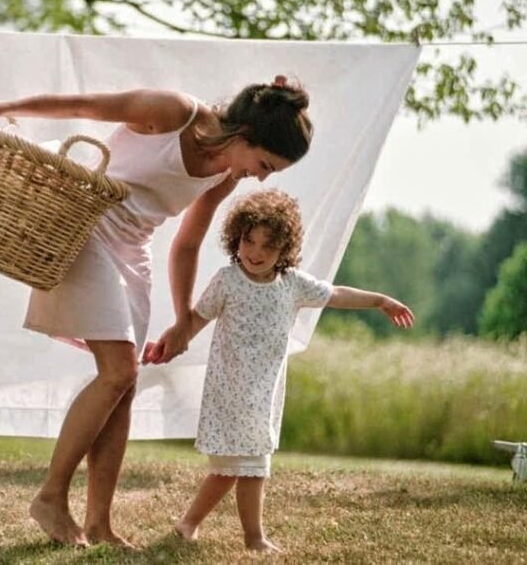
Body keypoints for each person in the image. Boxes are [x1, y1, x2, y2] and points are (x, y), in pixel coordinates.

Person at [0, 75, 313, 547]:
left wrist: (184, 318)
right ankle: (51, 497)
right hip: (89, 228)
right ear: (246, 136)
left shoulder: (223, 175)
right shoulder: (174, 112)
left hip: (132, 254)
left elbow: (186, 244)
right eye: (264, 164)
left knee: (124, 383)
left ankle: (100, 523)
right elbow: (84, 104)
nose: (260, 177)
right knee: (116, 372)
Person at [143, 188, 415, 553]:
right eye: (248, 241)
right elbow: (193, 321)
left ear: (284, 250)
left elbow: (335, 294)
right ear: (236, 238)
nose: (254, 252)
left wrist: (380, 300)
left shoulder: (293, 286)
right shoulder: (227, 281)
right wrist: (168, 345)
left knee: (241, 467)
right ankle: (249, 537)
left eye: (267, 246)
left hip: (263, 393)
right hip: (230, 391)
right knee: (241, 465)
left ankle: (191, 524)